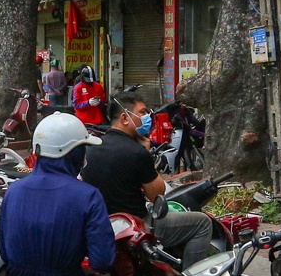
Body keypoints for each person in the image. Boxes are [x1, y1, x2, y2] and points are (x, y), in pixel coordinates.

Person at [0, 113, 116, 276]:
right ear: (74, 153)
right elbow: (102, 262)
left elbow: (6, 254)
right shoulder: (88, 196)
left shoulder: (13, 192)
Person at [83, 91, 219, 266]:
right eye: (142, 112)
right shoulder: (137, 152)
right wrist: (146, 153)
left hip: (100, 226)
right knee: (202, 223)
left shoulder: (91, 149)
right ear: (124, 118)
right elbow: (157, 194)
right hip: (136, 227)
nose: (147, 117)